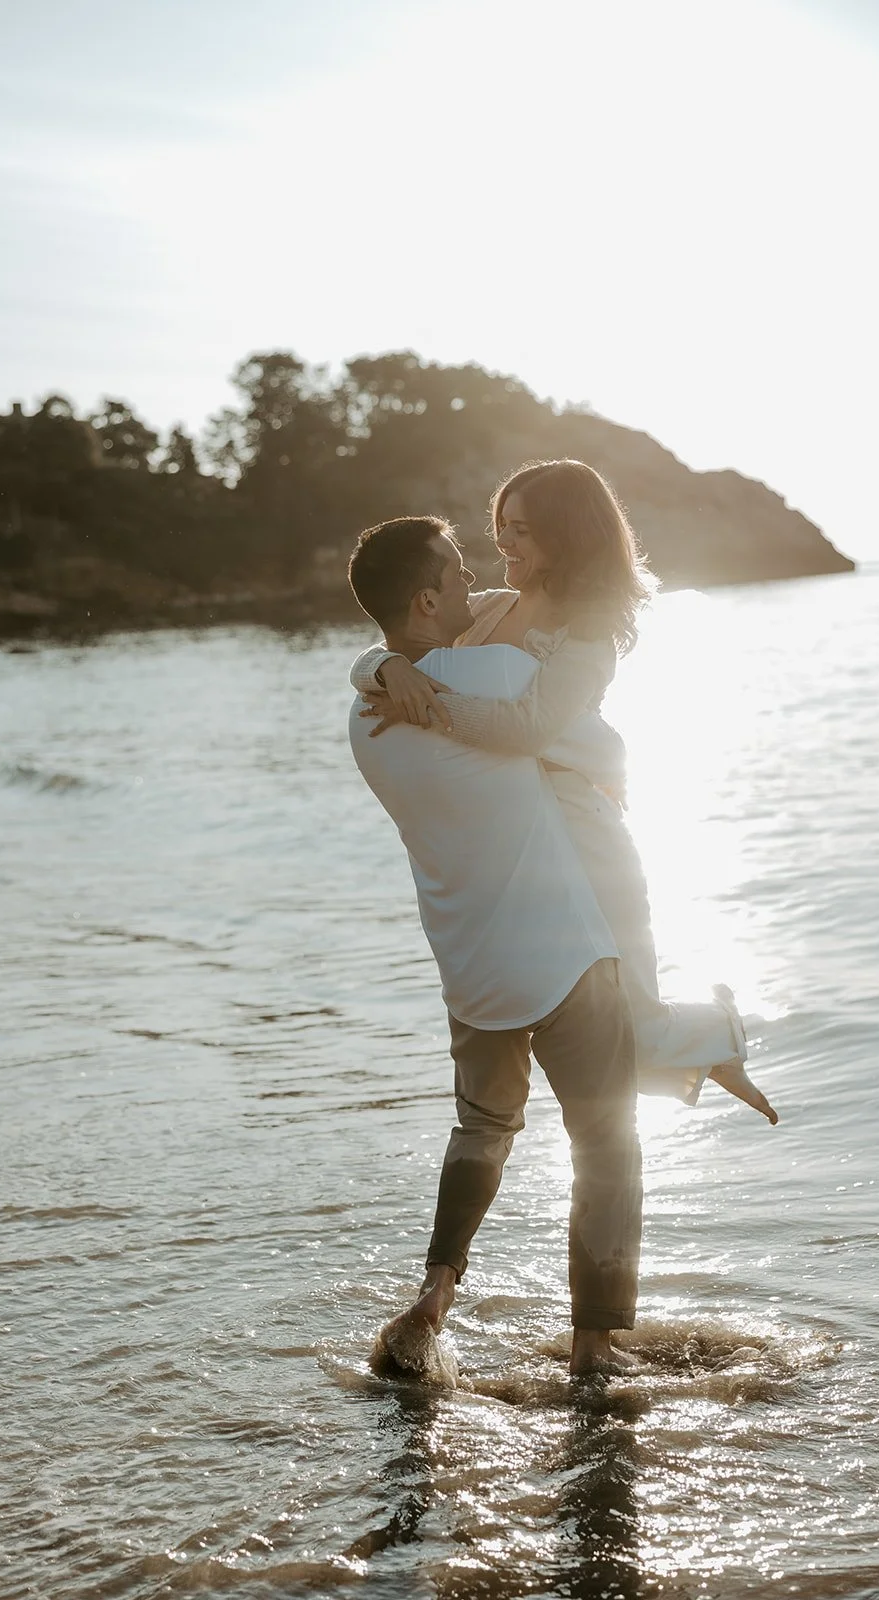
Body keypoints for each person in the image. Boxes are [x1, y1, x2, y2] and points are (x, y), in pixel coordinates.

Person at [353, 459, 778, 1124]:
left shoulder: (588, 632)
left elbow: (527, 727)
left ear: (567, 536)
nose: (502, 544)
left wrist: (427, 704)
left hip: (587, 835)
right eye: (500, 526)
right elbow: (393, 641)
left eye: (520, 530)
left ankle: (721, 1030)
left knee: (632, 1028)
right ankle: (700, 1055)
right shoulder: (490, 610)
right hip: (529, 843)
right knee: (600, 1036)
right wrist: (383, 667)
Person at [347, 515, 643, 1379]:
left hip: (467, 966)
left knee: (481, 1127)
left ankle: (435, 1295)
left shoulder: (363, 714)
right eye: (459, 571)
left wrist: (380, 662)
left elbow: (386, 673)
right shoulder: (504, 672)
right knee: (605, 1141)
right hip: (563, 956)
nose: (477, 585)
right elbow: (599, 746)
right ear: (428, 598)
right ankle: (592, 1349)